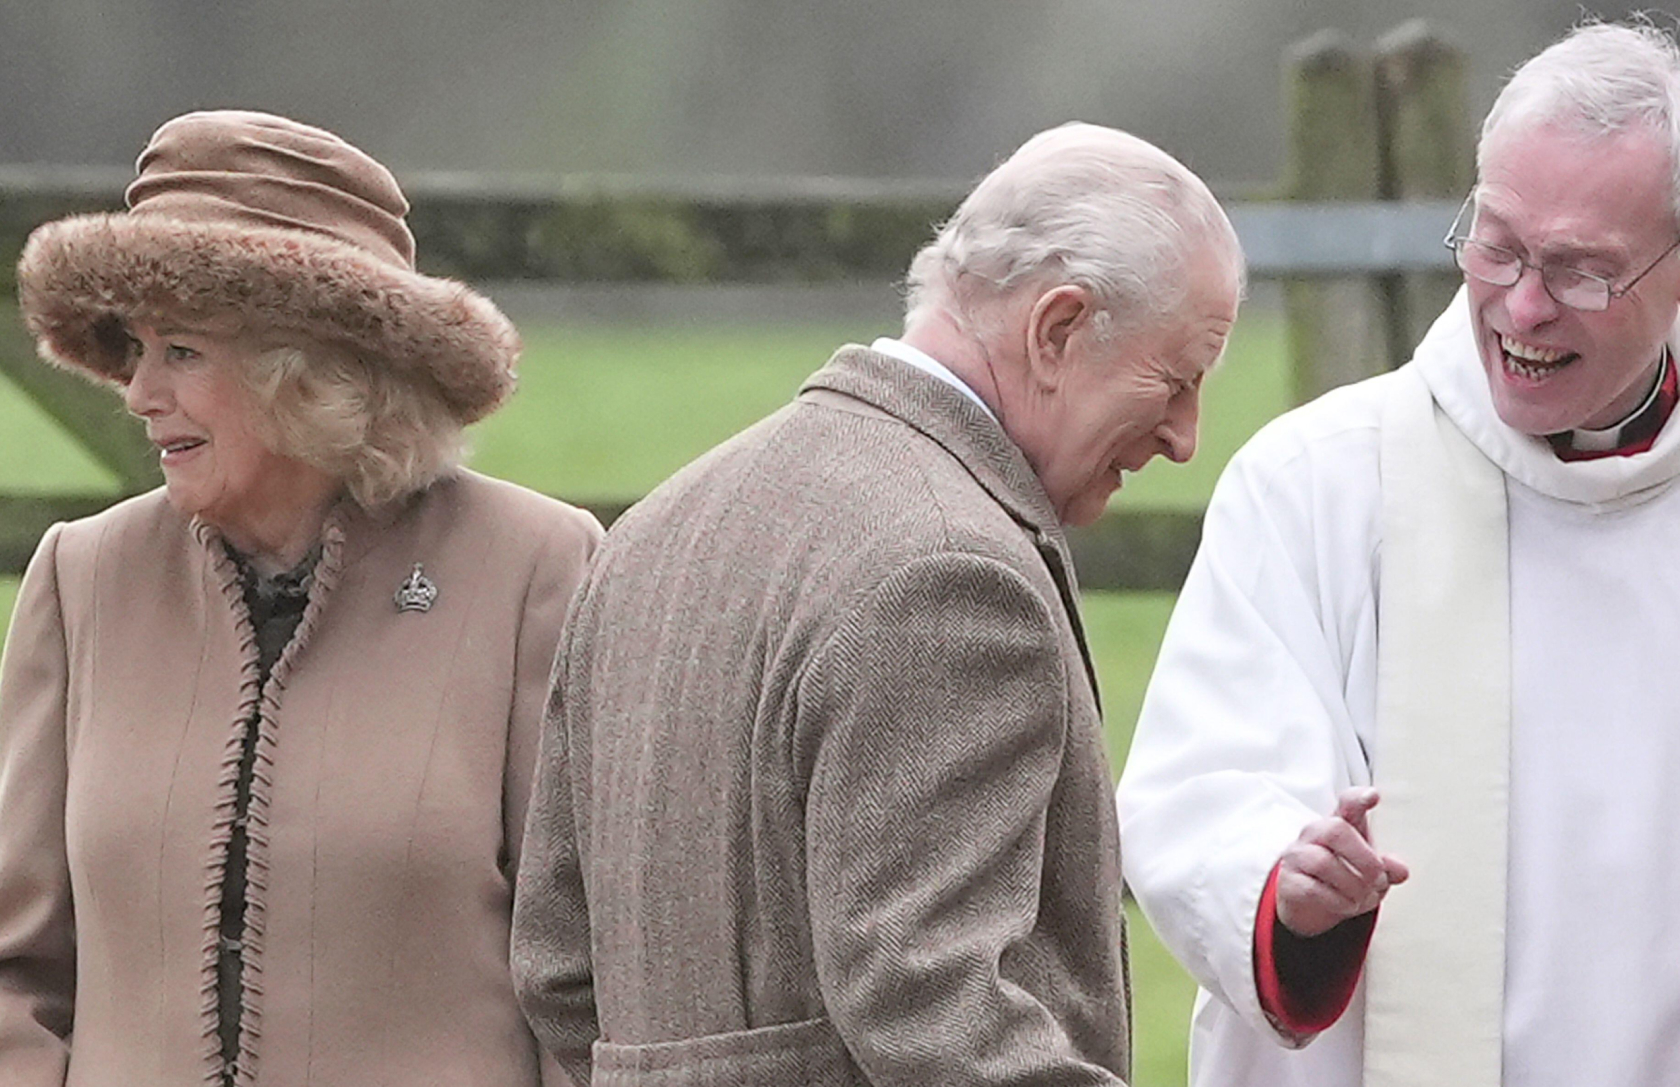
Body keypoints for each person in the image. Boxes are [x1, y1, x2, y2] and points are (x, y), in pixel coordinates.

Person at [1117, 20, 1680, 1087]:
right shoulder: (1317, 483)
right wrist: (1285, 884)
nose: (1522, 307)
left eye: (1582, 272)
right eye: (1495, 245)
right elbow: (1202, 792)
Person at [509, 121, 1244, 1086]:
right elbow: (932, 1005)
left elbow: (559, 966)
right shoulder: (950, 576)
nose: (1186, 437)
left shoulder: (657, 526)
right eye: (1175, 379)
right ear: (1056, 328)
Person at [0, 110, 601, 1087]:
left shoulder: (533, 567)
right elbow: (0, 977)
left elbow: (591, 975)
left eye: (183, 353)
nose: (138, 391)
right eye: (136, 348)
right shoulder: (84, 577)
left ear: (308, 368)